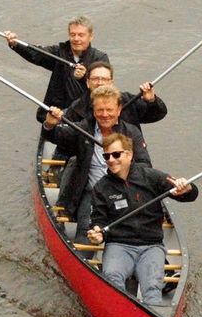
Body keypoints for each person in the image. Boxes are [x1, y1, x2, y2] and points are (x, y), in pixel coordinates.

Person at [87, 133, 198, 304]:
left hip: (151, 245)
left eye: (116, 154)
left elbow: (190, 195)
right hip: (119, 244)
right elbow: (98, 220)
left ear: (129, 155)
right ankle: (121, 313)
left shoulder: (151, 177)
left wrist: (187, 188)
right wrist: (97, 233)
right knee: (112, 279)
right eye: (106, 156)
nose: (111, 160)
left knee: (153, 288)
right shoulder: (101, 187)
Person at [42, 85, 151, 248]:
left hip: (125, 193)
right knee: (86, 232)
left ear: (119, 110)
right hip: (93, 194)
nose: (105, 115)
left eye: (109, 109)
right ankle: (83, 257)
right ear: (93, 110)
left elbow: (145, 165)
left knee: (139, 231)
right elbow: (57, 136)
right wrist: (49, 125)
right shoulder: (83, 129)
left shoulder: (131, 132)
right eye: (100, 110)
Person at [5, 16, 109, 122]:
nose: (76, 39)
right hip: (55, 114)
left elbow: (104, 89)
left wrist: (84, 78)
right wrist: (16, 44)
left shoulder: (100, 58)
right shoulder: (59, 52)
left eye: (81, 35)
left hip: (85, 118)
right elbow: (36, 53)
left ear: (90, 37)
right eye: (73, 35)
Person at [63, 61, 168, 130]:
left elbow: (157, 115)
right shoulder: (77, 108)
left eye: (104, 79)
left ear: (111, 82)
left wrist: (151, 101)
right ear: (87, 82)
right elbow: (65, 138)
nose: (100, 83)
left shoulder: (128, 101)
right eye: (95, 79)